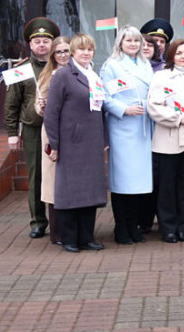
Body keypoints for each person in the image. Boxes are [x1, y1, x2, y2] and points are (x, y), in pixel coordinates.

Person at [43, 34, 108, 253]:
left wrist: (104, 139)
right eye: (81, 49)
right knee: (70, 191)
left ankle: (87, 237)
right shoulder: (63, 75)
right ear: (72, 52)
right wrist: (54, 144)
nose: (86, 53)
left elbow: (101, 110)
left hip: (92, 143)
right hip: (71, 143)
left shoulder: (94, 76)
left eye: (89, 49)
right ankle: (69, 238)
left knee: (89, 192)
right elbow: (51, 113)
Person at [147, 39, 184, 243]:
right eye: (179, 53)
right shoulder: (162, 76)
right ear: (172, 56)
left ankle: (183, 226)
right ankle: (168, 228)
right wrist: (177, 118)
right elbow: (154, 106)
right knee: (167, 187)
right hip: (168, 139)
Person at [6, 16, 59, 239]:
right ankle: (38, 221)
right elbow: (11, 104)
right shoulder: (21, 70)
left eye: (46, 41)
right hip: (34, 128)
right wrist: (12, 133)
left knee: (58, 174)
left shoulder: (61, 65)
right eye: (37, 41)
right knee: (36, 175)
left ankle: (60, 219)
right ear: (30, 44)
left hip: (60, 128)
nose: (42, 45)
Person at [100, 26, 154, 245]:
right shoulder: (111, 65)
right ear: (120, 43)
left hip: (143, 125)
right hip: (123, 127)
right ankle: (121, 227)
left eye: (136, 40)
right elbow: (104, 96)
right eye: (128, 40)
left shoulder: (145, 63)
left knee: (138, 181)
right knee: (123, 180)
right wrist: (124, 109)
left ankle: (134, 225)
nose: (133, 44)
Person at [35, 35, 71, 245]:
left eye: (66, 51)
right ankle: (57, 232)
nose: (63, 55)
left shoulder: (81, 72)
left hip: (74, 131)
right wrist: (41, 106)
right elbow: (38, 106)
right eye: (59, 52)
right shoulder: (47, 75)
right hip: (52, 131)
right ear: (53, 55)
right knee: (53, 181)